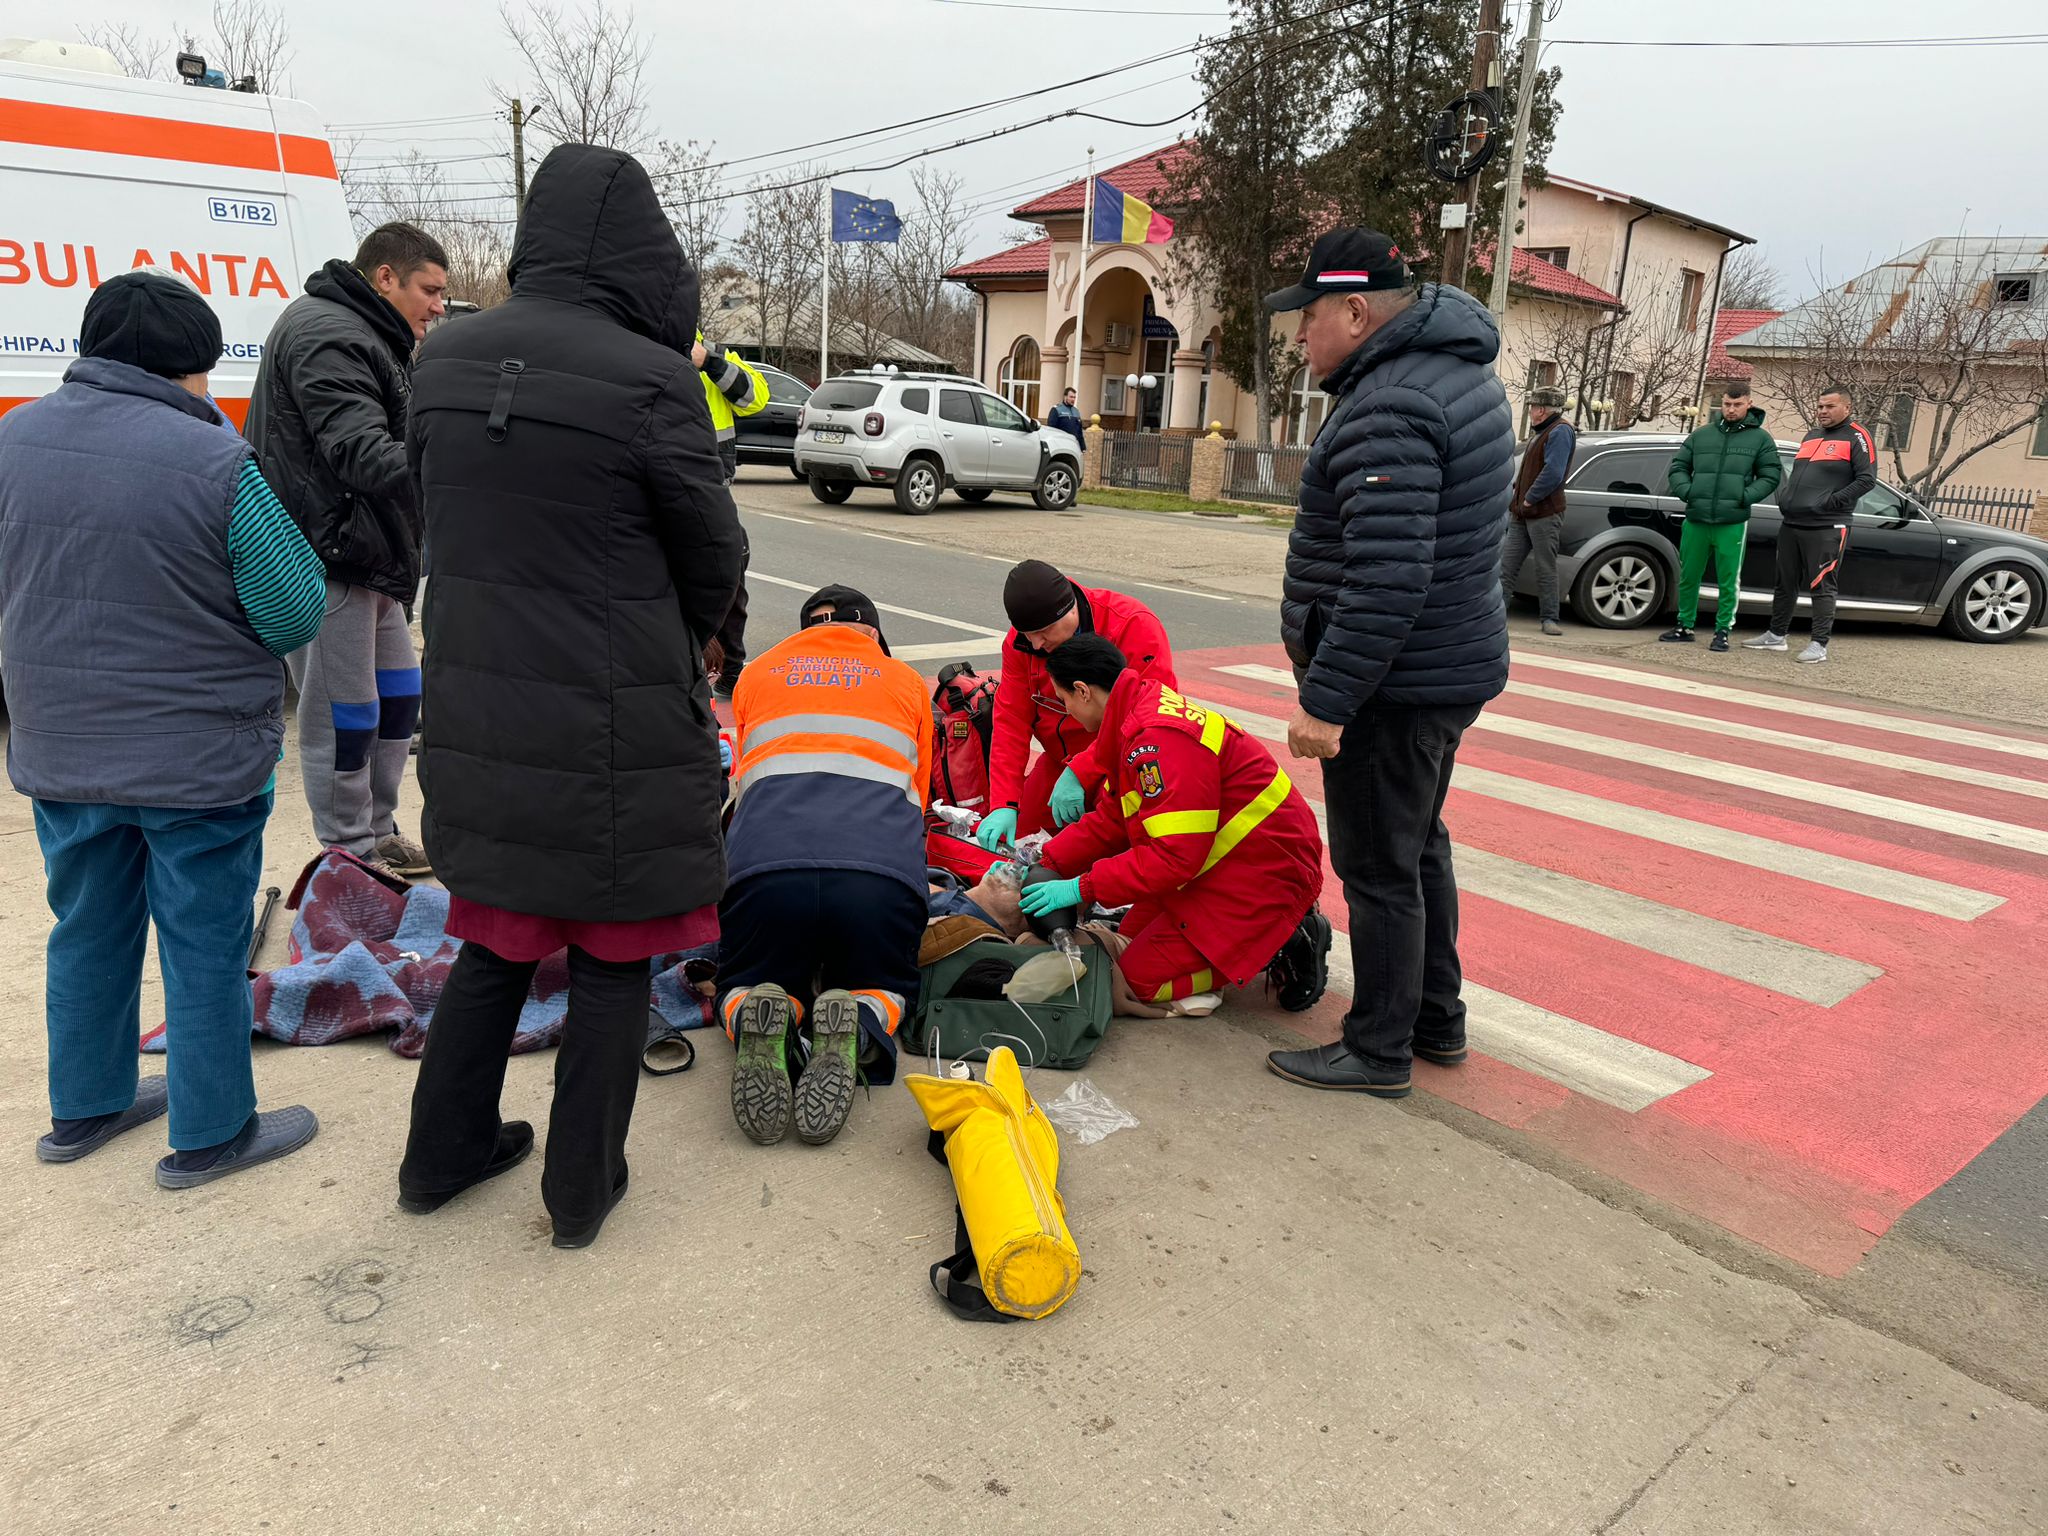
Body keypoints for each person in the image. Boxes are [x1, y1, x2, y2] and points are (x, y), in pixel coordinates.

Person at [395, 145, 744, 1250]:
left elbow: (433, 516)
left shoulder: (440, 359)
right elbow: (712, 555)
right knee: (611, 952)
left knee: (495, 940)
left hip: (477, 706)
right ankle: (581, 1189)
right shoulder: (649, 378)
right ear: (645, 250)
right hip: (613, 713)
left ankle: (437, 1158)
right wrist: (706, 644)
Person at [0, 271, 327, 1185]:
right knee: (203, 939)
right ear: (191, 370)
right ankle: (212, 1131)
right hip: (197, 759)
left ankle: (86, 1108)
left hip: (61, 750)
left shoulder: (11, 440)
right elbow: (295, 608)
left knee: (86, 926)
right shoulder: (218, 462)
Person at [1262, 227, 1512, 1098]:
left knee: (1376, 867)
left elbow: (1388, 576)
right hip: (1449, 663)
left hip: (1394, 683)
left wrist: (1327, 702)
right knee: (1419, 848)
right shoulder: (1457, 371)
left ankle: (1377, 1047)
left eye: (1309, 316)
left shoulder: (1389, 405)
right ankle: (1435, 1020)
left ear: (1357, 311)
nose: (1301, 336)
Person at [245, 222, 447, 878]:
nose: (439, 304)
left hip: (369, 556)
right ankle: (348, 858)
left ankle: (377, 830)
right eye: (430, 289)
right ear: (385, 277)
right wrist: (458, 464)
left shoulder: (368, 333)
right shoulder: (330, 333)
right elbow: (360, 450)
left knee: (395, 699)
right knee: (345, 717)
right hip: (325, 559)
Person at [719, 586, 934, 1147]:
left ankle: (760, 1012)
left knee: (745, 976)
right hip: (877, 878)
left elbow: (746, 779)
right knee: (883, 983)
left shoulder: (757, 674)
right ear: (873, 633)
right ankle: (857, 1018)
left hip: (766, 871)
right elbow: (920, 797)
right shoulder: (907, 683)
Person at [1021, 637, 1329, 1017]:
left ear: (1083, 691)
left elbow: (1174, 858)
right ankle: (1249, 940)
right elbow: (1115, 817)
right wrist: (1048, 858)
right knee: (1128, 938)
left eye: (1063, 698)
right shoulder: (1133, 721)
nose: (1066, 710)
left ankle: (1280, 943)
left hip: (1262, 871)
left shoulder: (1155, 739)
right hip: (1220, 861)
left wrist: (1081, 886)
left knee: (1137, 982)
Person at [975, 560, 1176, 849]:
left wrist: (1081, 771)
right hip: (1061, 764)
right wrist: (1003, 803)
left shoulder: (1132, 624)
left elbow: (1148, 719)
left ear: (1071, 609)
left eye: (1044, 631)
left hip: (1123, 763)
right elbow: (1011, 722)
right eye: (1027, 634)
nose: (1036, 645)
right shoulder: (1023, 641)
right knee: (1019, 843)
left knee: (1107, 848)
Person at [1744, 386, 1874, 665]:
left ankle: (1819, 644)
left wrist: (1829, 503)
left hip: (1827, 525)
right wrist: (1787, 498)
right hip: (1792, 522)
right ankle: (1776, 635)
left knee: (1822, 585)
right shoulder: (1811, 435)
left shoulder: (1858, 437)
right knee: (1784, 583)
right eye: (1820, 406)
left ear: (1847, 408)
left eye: (1829, 406)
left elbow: (1866, 480)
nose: (1823, 411)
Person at [1663, 384, 1781, 652]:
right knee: (1689, 575)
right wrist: (1688, 492)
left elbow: (1770, 475)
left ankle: (1723, 630)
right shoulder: (1701, 435)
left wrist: (1744, 496)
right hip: (1697, 517)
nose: (1730, 409)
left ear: (1748, 403)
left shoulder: (1760, 439)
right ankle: (1684, 625)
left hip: (1733, 521)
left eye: (1736, 405)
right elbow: (1679, 466)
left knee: (1729, 579)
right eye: (1726, 404)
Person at [695, 330, 769, 700]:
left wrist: (708, 362)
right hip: (664, 483)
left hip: (713, 487)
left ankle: (732, 667)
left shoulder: (716, 354)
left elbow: (755, 398)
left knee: (732, 568)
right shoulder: (638, 346)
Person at [1499, 386, 1574, 636]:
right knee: (1506, 567)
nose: (1530, 411)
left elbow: (1553, 472)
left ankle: (1550, 618)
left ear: (1541, 410)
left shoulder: (1560, 431)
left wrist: (1530, 498)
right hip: (1522, 513)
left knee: (1545, 567)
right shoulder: (1541, 432)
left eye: (1532, 407)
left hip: (1543, 513)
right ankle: (1495, 615)